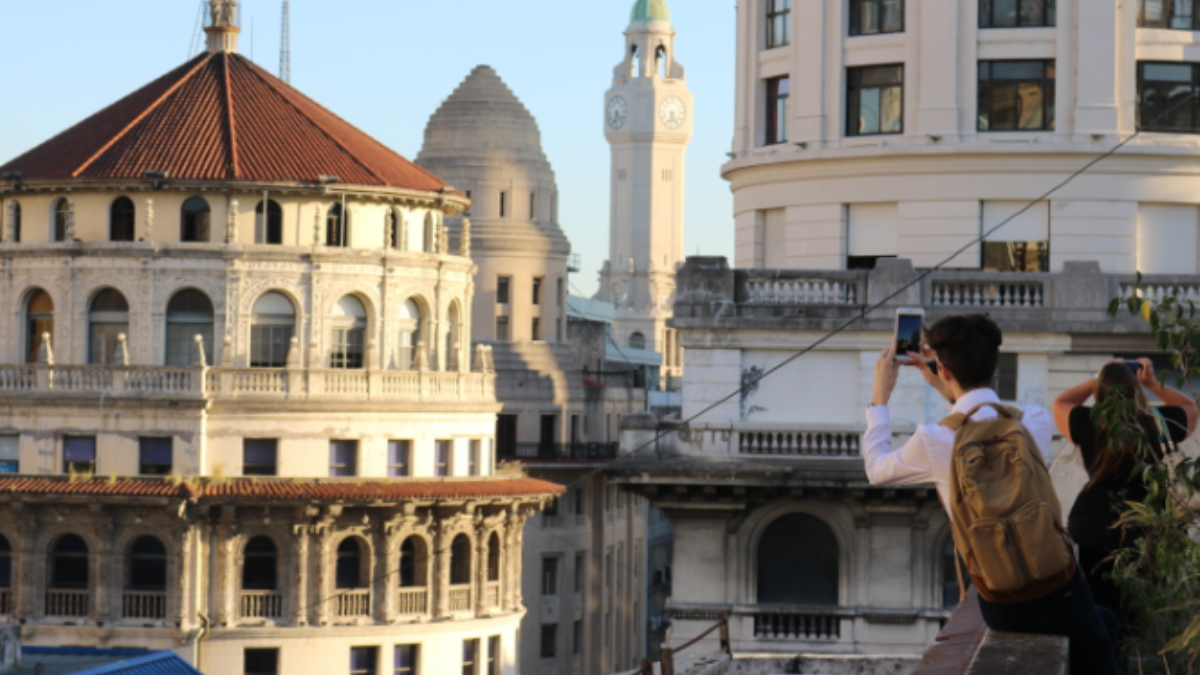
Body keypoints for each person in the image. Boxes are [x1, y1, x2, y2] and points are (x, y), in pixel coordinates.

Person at [865, 314, 1120, 675]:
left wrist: (881, 394)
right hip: (1058, 585)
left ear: (945, 370)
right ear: (995, 363)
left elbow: (876, 468)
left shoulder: (932, 440)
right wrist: (948, 384)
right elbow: (980, 416)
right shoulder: (1031, 420)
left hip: (999, 601)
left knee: (1106, 620)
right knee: (1103, 637)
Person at [1052, 359, 1197, 627]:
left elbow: (1060, 402)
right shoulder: (1157, 423)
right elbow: (1190, 408)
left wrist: (1099, 377)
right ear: (1135, 392)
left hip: (1091, 523)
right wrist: (1152, 383)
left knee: (1099, 608)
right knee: (1142, 612)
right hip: (1144, 525)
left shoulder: (1087, 421)